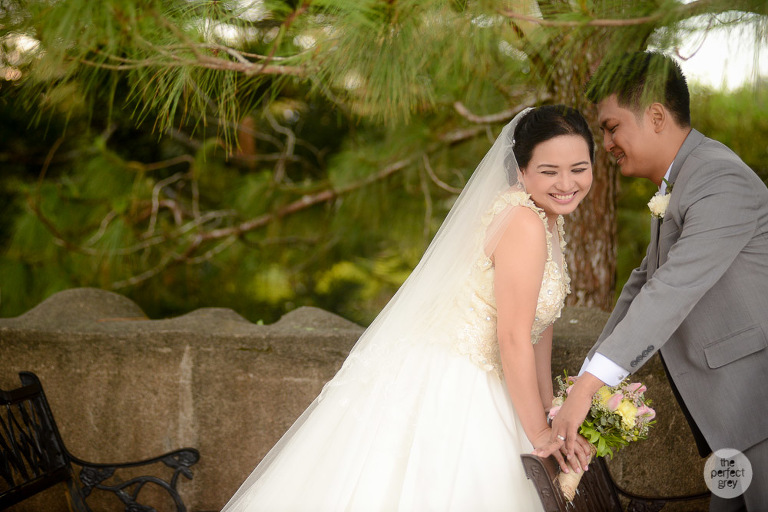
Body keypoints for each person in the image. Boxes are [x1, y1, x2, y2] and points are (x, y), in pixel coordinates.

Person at [221, 105, 595, 512]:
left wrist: (549, 410)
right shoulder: (523, 220)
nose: (566, 183)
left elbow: (539, 328)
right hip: (458, 379)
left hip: (496, 378)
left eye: (578, 168)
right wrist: (539, 433)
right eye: (549, 170)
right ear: (521, 171)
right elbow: (512, 336)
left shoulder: (545, 217)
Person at [538, 51, 768, 511]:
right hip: (725, 423)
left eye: (611, 126)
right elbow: (641, 286)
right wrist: (586, 376)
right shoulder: (679, 184)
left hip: (757, 409)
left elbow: (671, 292)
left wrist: (586, 390)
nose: (606, 143)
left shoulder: (719, 179)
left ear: (657, 116)